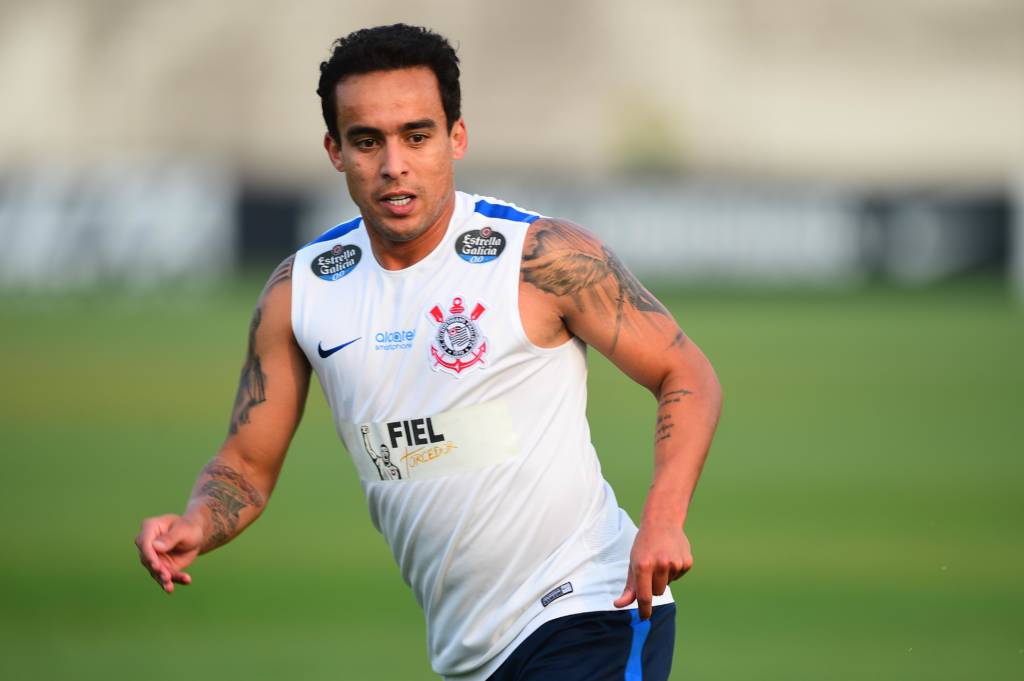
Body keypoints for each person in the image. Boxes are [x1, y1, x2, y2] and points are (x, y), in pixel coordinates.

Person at [135, 23, 722, 681]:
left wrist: (663, 520)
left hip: (594, 608)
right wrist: (197, 522)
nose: (394, 165)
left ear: (456, 138)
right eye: (367, 141)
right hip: (472, 655)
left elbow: (685, 372)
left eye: (416, 136)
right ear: (334, 150)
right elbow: (246, 464)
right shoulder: (300, 291)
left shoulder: (539, 257)